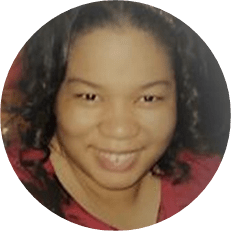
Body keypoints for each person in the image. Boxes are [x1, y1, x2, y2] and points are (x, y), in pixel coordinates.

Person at [3, 1, 226, 230]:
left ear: (178, 99)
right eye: (90, 96)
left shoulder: (206, 177)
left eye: (148, 98)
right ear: (52, 97)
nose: (120, 130)